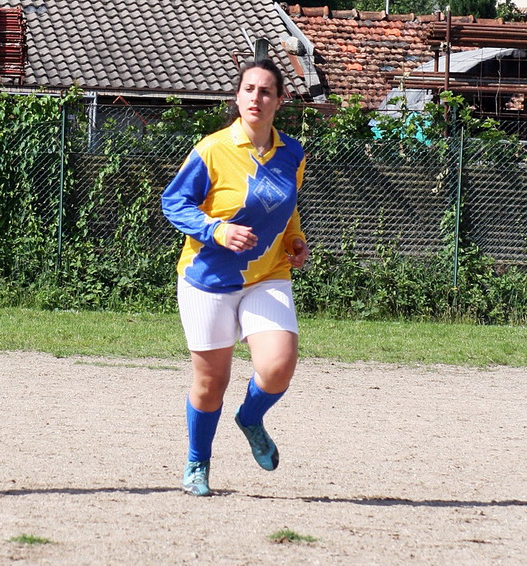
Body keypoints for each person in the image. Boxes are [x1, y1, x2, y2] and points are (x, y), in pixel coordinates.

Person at [161, 59, 310, 497]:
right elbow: (174, 202)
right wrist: (217, 230)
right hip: (208, 277)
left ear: (280, 100)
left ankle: (250, 417)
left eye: (266, 91)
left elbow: (287, 208)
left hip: (268, 273)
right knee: (211, 384)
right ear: (238, 96)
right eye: (248, 89)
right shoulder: (212, 149)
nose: (256, 98)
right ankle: (197, 462)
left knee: (278, 367)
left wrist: (295, 240)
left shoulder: (292, 153)